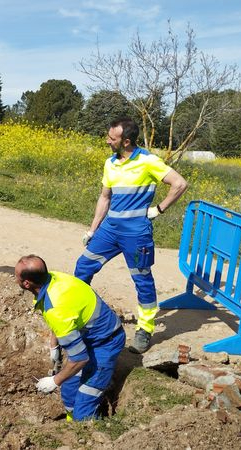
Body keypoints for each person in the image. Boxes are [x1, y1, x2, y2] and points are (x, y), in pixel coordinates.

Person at [75, 117, 188, 354]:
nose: (107, 141)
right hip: (109, 229)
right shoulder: (110, 163)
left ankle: (145, 329)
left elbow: (179, 183)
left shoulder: (148, 161)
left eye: (112, 138)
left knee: (142, 280)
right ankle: (81, 316)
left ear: (126, 141)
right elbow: (105, 197)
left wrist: (158, 209)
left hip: (136, 233)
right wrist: (92, 229)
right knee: (82, 268)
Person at [15, 254, 125, 421]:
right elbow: (64, 319)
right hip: (90, 337)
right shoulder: (53, 279)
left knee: (83, 412)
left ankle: (86, 429)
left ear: (27, 283)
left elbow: (80, 358)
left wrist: (54, 381)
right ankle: (71, 423)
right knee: (69, 390)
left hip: (106, 343)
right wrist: (54, 345)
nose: (14, 278)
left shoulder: (56, 309)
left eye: (16, 275)